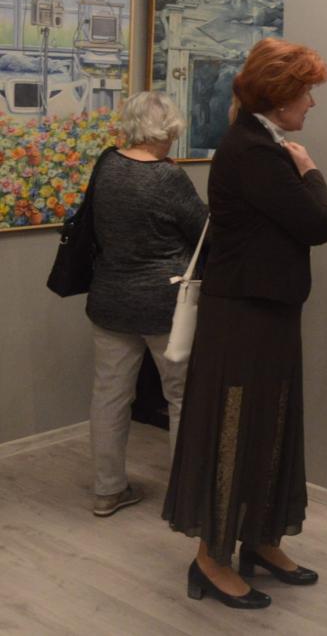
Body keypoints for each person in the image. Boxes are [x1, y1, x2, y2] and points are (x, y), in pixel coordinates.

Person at [163, 37, 327, 611]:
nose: (312, 103)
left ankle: (260, 539)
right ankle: (211, 560)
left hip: (267, 312)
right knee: (233, 430)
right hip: (243, 317)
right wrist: (311, 171)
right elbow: (319, 224)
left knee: (270, 424)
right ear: (281, 96)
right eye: (307, 92)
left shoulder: (260, 143)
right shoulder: (255, 151)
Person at [87, 91, 207, 518]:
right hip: (164, 305)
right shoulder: (168, 178)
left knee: (109, 396)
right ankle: (186, 497)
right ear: (167, 129)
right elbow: (205, 231)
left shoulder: (107, 165)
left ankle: (107, 490)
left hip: (110, 299)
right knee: (182, 397)